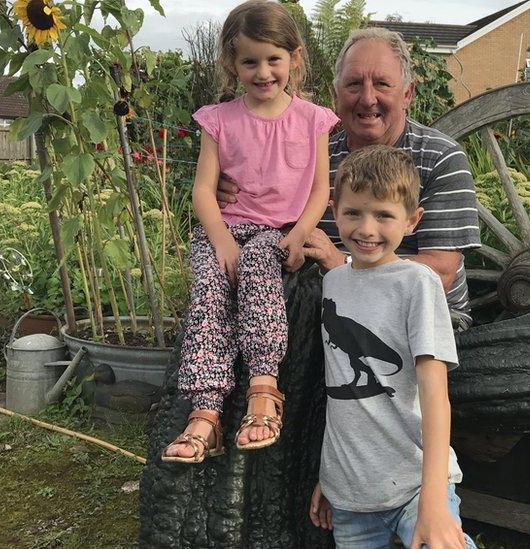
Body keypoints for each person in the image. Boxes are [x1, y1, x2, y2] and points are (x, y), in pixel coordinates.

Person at [163, 0, 339, 463]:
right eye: (250, 62)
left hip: (277, 231)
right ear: (232, 64)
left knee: (260, 266)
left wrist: (301, 232)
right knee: (208, 289)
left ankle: (264, 385)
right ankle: (206, 411)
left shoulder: (312, 120)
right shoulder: (218, 120)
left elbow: (321, 189)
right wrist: (220, 238)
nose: (263, 72)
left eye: (273, 59)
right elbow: (203, 190)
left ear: (294, 59)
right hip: (227, 229)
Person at [218, 27, 481, 329]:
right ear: (336, 94)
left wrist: (341, 263)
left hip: (423, 316)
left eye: (382, 84)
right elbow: (261, 216)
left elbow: (440, 275)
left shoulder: (440, 157)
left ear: (407, 94)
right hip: (328, 307)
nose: (368, 99)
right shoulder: (310, 156)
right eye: (354, 84)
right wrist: (233, 189)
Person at [307, 145, 476, 549]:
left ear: (412, 220)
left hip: (416, 487)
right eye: (353, 213)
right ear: (334, 210)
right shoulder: (333, 283)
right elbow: (339, 393)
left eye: (383, 215)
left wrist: (433, 502)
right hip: (350, 495)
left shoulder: (417, 285)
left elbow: (436, 397)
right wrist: (330, 477)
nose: (366, 229)